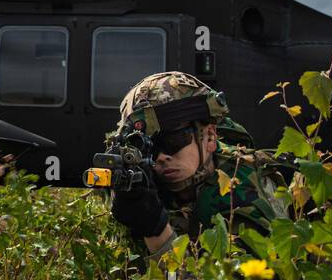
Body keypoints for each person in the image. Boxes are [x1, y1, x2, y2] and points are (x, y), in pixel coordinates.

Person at [107, 72, 293, 268]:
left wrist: (156, 231)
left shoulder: (241, 193)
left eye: (173, 140)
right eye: (149, 146)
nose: (161, 156)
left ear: (211, 137)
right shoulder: (147, 184)